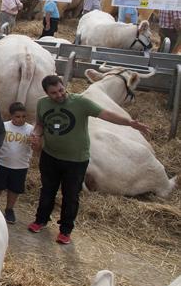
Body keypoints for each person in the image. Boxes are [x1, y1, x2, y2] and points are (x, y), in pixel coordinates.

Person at [28, 75, 150, 244]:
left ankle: (65, 230)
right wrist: (35, 134)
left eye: (61, 90)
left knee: (70, 196)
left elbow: (105, 114)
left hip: (76, 160)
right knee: (47, 190)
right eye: (54, 93)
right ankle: (40, 220)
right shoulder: (42, 103)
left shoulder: (80, 102)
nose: (59, 95)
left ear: (64, 86)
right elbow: (40, 123)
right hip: (50, 156)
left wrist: (129, 123)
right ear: (47, 93)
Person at [0, 102, 34, 224]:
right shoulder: (4, 127)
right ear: (11, 116)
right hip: (2, 163)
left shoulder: (30, 129)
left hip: (20, 166)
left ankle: (9, 209)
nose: (21, 119)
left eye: (23, 117)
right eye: (17, 116)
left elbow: (37, 148)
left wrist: (35, 142)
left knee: (14, 189)